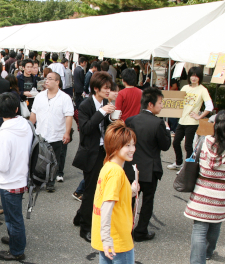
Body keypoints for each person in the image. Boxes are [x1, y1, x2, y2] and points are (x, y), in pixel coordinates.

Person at [91, 122, 142, 264]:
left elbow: (112, 198)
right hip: (116, 237)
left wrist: (130, 191)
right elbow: (107, 206)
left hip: (105, 236)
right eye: (126, 145)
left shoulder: (108, 166)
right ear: (114, 146)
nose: (131, 149)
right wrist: (109, 239)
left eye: (132, 145)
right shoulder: (117, 172)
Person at [184, 110, 225, 264]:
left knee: (199, 228)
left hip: (202, 190)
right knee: (216, 224)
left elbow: (194, 160)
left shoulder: (204, 141)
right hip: (223, 193)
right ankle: (209, 252)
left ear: (215, 124)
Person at [125, 87, 171, 242]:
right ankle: (140, 231)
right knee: (147, 200)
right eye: (160, 102)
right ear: (150, 104)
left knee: (129, 199)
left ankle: (125, 228)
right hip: (150, 169)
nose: (162, 105)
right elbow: (165, 145)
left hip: (132, 168)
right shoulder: (158, 123)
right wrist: (167, 131)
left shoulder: (130, 120)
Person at [73, 72, 114, 242]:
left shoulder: (107, 103)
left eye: (109, 88)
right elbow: (86, 128)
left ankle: (79, 216)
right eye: (105, 88)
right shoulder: (85, 105)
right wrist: (102, 112)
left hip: (105, 151)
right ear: (96, 89)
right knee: (91, 191)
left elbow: (107, 127)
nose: (108, 91)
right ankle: (85, 228)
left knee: (101, 189)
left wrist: (112, 117)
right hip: (91, 152)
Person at [0, 93, 33, 261]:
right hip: (22, 176)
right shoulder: (25, 125)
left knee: (14, 218)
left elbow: (1, 165)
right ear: (17, 109)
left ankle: (17, 251)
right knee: (12, 215)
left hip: (9, 181)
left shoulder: (4, 135)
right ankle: (14, 238)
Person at [29, 72, 74, 191]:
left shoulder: (65, 98)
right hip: (40, 133)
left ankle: (50, 182)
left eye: (50, 79)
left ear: (57, 82)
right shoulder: (39, 96)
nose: (46, 81)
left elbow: (69, 116)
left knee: (54, 160)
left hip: (56, 134)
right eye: (46, 79)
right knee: (38, 159)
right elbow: (34, 113)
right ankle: (36, 182)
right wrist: (29, 127)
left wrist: (67, 132)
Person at [168, 66, 213, 170]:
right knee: (175, 142)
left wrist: (199, 116)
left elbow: (210, 107)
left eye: (196, 76)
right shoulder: (185, 88)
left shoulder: (202, 90)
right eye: (192, 75)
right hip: (182, 120)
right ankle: (178, 163)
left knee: (188, 146)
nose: (194, 78)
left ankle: (187, 168)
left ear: (200, 77)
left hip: (192, 122)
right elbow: (177, 102)